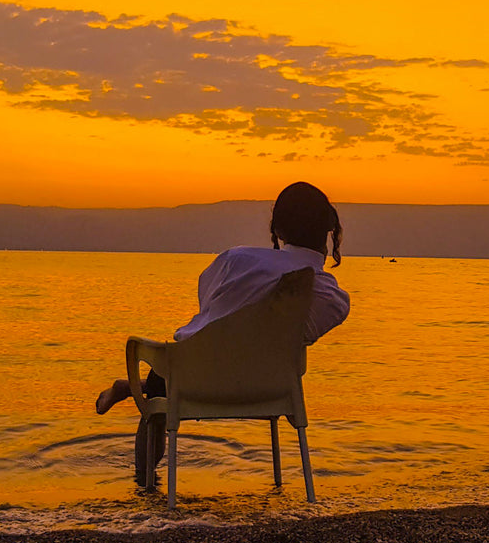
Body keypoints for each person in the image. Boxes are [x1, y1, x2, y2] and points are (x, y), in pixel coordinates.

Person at [95, 181, 351, 479]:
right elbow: (299, 336)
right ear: (329, 230)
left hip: (196, 376)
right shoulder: (332, 298)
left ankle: (144, 485)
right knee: (177, 372)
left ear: (277, 230)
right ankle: (132, 388)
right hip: (267, 387)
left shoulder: (236, 259)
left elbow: (209, 308)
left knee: (160, 395)